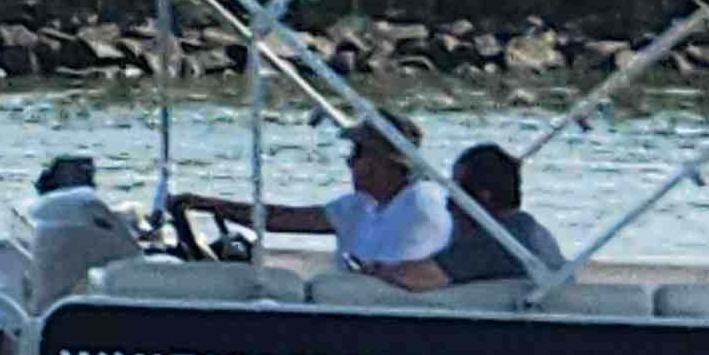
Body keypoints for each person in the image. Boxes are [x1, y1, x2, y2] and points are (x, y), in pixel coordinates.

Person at [173, 112, 452, 287]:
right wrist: (206, 204)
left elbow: (402, 281)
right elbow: (278, 219)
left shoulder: (421, 207)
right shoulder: (362, 205)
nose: (349, 163)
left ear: (384, 162)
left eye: (357, 153)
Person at [418, 141, 562, 287]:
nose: (448, 203)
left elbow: (416, 277)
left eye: (456, 193)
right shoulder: (530, 230)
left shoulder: (497, 241)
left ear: (484, 196)